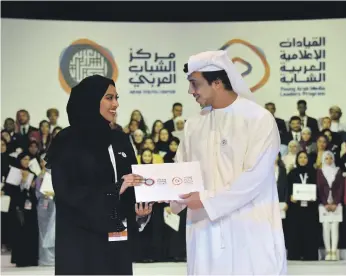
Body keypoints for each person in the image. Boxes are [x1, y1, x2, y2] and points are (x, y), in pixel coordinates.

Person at [168, 50, 286, 275]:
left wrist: (206, 200)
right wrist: (164, 191)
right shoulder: (193, 125)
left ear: (217, 83)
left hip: (250, 231)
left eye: (195, 84)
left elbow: (254, 178)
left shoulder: (258, 119)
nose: (190, 91)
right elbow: (180, 172)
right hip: (204, 234)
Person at [45, 75, 152, 275]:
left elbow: (131, 186)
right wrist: (114, 189)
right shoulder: (67, 141)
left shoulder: (120, 139)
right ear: (91, 100)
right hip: (81, 243)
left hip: (116, 240)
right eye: (109, 98)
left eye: (116, 98)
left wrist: (139, 213)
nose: (116, 104)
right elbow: (66, 191)